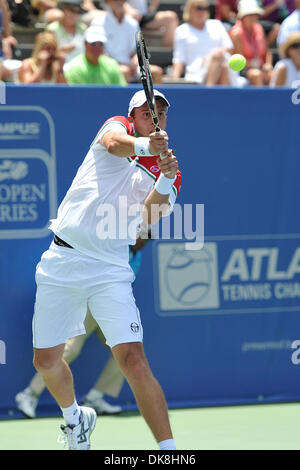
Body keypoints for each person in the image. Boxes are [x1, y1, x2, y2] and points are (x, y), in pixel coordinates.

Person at [32, 88, 181, 450]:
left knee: (132, 358)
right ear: (133, 117)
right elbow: (116, 144)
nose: (155, 118)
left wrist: (163, 177)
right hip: (62, 260)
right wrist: (147, 147)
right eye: (148, 113)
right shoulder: (115, 128)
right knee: (46, 361)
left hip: (109, 269)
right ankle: (75, 420)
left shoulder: (172, 172)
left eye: (161, 113)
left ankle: (169, 451)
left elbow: (147, 219)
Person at [15, 238, 148, 418]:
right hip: (87, 303)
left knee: (129, 353)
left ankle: (95, 397)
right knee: (71, 348)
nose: (144, 241)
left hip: (109, 309)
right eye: (142, 235)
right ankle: (29, 395)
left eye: (148, 238)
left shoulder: (136, 256)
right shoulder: (110, 247)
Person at [91, 0, 163, 83]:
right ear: (107, 2)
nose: (119, 2)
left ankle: (155, 96)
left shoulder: (132, 23)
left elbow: (136, 50)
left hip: (130, 67)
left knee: (157, 72)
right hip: (108, 66)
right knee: (124, 71)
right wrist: (121, 65)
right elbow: (99, 51)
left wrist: (136, 60)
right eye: (115, 1)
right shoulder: (98, 21)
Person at [172, 0, 234, 86]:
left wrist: (213, 56)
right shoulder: (181, 30)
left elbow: (229, 46)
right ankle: (213, 93)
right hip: (196, 72)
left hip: (223, 68)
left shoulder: (216, 24)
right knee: (220, 63)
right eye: (199, 8)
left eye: (205, 8)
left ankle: (209, 93)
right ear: (189, 9)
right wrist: (175, 78)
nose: (202, 11)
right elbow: (179, 58)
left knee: (221, 63)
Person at [229, 0, 273, 85]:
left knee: (272, 75)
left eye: (255, 14)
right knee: (256, 75)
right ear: (243, 17)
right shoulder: (236, 33)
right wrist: (256, 65)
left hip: (259, 67)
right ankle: (260, 98)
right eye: (250, 15)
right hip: (242, 69)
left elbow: (266, 51)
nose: (254, 17)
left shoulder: (259, 28)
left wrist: (268, 64)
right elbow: (239, 60)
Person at [46, 0, 87, 66]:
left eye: (77, 12)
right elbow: (46, 55)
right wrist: (60, 51)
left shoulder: (83, 28)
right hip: (59, 69)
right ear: (63, 9)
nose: (74, 15)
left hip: (81, 69)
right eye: (72, 10)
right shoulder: (52, 29)